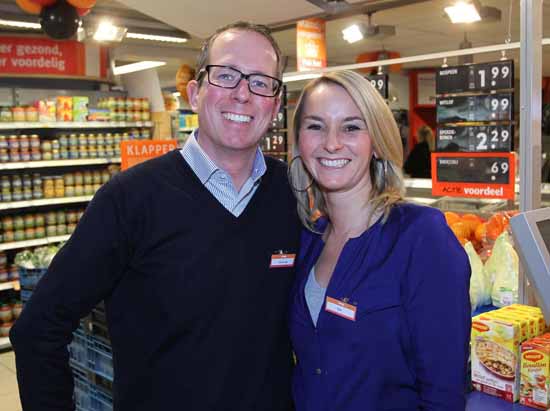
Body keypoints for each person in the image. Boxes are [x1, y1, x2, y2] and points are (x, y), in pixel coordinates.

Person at [10, 22, 300, 411]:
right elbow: (39, 328)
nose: (243, 93)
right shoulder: (129, 199)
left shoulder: (293, 194)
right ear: (195, 93)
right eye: (227, 75)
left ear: (276, 106)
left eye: (261, 82)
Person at [287, 70, 471, 411]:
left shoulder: (421, 237)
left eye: (351, 127)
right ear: (299, 141)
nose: (331, 143)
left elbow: (443, 393)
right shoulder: (308, 239)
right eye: (315, 126)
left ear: (377, 142)